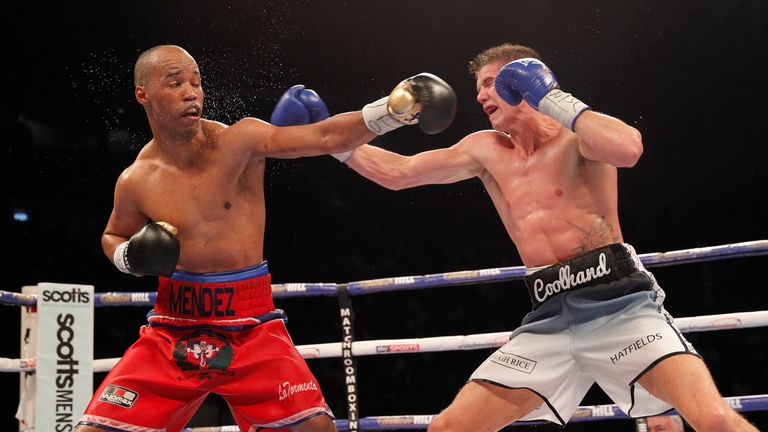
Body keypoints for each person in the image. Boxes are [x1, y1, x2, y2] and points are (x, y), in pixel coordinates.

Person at [277, 44, 758, 431]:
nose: (482, 96)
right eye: (479, 87)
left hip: (619, 306)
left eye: (491, 84)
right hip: (547, 316)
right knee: (449, 428)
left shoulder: (578, 138)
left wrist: (552, 98)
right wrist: (329, 141)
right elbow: (398, 173)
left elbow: (629, 149)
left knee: (713, 419)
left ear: (522, 83)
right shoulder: (486, 150)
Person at [75, 44, 456, 432]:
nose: (191, 92)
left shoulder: (240, 142)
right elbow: (113, 234)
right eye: (175, 83)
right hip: (172, 327)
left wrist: (391, 111)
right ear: (143, 95)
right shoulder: (136, 179)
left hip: (251, 325)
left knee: (315, 428)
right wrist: (128, 256)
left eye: (196, 82)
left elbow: (325, 137)